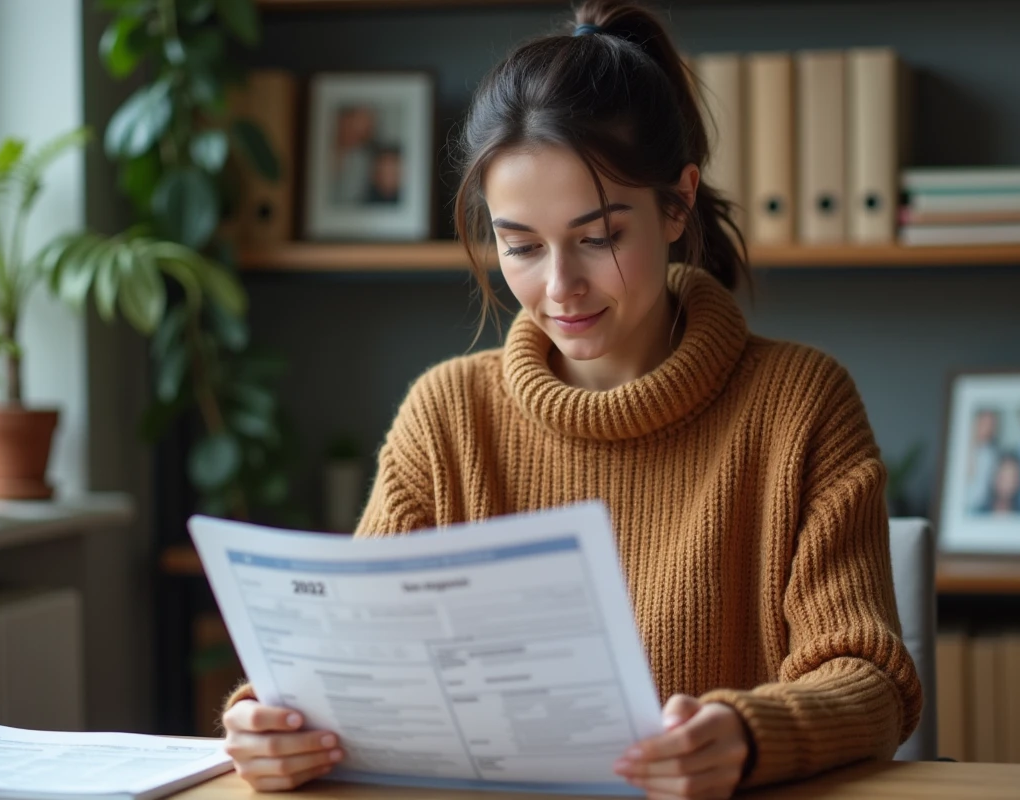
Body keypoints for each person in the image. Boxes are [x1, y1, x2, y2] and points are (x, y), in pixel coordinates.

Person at [220, 2, 922, 797]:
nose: (558, 288)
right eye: (520, 246)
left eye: (599, 237)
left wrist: (750, 737)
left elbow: (869, 677)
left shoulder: (801, 405)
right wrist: (272, 722)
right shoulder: (446, 417)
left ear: (678, 204)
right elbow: (354, 662)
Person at [978, 451, 1020, 515]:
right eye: (1003, 476)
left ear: (1019, 482)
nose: (1006, 483)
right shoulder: (979, 514)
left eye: (1011, 477)